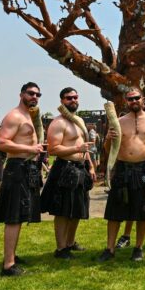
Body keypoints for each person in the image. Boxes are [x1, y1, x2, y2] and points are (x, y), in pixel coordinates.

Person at [98, 88, 145, 262]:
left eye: (136, 98)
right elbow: (107, 149)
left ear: (143, 100)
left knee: (143, 211)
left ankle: (138, 248)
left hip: (144, 170)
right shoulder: (117, 122)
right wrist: (109, 139)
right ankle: (109, 249)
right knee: (114, 212)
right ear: (126, 101)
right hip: (123, 169)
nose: (134, 101)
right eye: (130, 99)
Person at [0, 82, 45, 276]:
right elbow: (2, 143)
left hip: (26, 168)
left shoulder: (27, 115)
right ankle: (8, 266)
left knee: (20, 215)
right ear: (21, 94)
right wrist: (30, 149)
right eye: (31, 93)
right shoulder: (14, 116)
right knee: (13, 217)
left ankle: (11, 255)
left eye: (38, 94)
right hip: (17, 169)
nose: (35, 97)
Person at [40, 87, 96, 259]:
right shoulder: (58, 123)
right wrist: (76, 148)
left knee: (78, 208)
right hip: (65, 168)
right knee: (63, 211)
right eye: (68, 98)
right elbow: (53, 149)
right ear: (62, 100)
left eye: (75, 97)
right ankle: (61, 248)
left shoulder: (78, 120)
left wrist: (91, 166)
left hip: (80, 168)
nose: (73, 100)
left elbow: (84, 146)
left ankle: (70, 243)